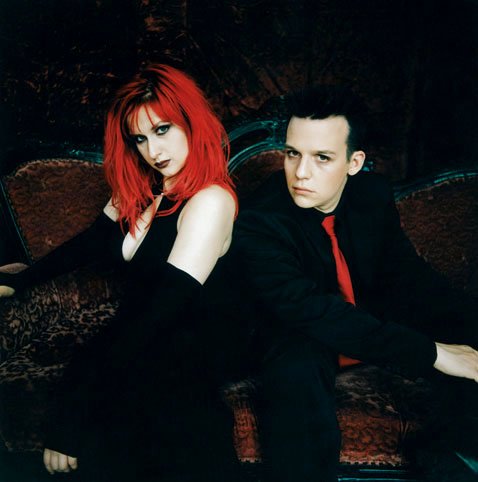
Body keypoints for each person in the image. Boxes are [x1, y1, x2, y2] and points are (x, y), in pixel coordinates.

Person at [0, 63, 244, 481]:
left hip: (194, 343)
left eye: (163, 129)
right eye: (140, 138)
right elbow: (89, 243)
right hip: (151, 335)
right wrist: (19, 281)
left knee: (132, 400)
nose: (154, 150)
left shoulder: (210, 201)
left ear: (191, 122)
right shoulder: (148, 187)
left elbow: (162, 311)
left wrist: (72, 405)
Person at [231, 85, 478, 482]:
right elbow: (310, 310)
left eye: (322, 157)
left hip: (366, 326)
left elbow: (410, 279)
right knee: (296, 359)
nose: (301, 173)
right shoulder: (261, 220)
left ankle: (452, 452)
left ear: (354, 161)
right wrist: (431, 352)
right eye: (293, 154)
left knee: (467, 322)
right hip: (295, 332)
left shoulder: (370, 194)